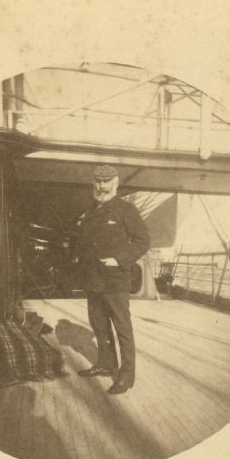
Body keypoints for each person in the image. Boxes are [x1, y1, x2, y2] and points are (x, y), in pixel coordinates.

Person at [73, 164, 150, 394]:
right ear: (93, 184)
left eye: (106, 181)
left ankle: (127, 376)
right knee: (99, 324)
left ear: (116, 184)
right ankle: (106, 364)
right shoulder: (89, 211)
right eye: (98, 181)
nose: (101, 186)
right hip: (93, 280)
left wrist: (119, 259)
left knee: (122, 328)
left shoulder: (126, 210)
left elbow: (142, 241)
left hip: (115, 280)